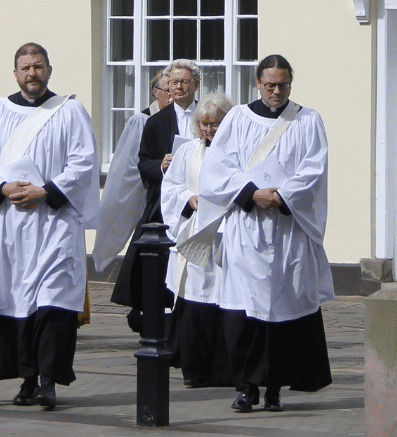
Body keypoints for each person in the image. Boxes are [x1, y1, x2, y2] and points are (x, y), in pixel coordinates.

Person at [0, 42, 98, 411]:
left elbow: (83, 161)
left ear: (49, 70)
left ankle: (48, 382)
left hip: (54, 223)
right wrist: (3, 188)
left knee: (53, 301)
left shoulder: (70, 111)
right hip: (8, 224)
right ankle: (27, 379)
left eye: (39, 66)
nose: (32, 73)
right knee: (17, 302)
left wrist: (45, 190)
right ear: (15, 73)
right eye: (25, 67)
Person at [184, 54, 332, 413]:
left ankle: (276, 389)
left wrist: (282, 196)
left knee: (282, 313)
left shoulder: (308, 121)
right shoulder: (237, 118)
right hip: (246, 230)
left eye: (282, 85)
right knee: (244, 316)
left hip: (287, 230)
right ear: (257, 83)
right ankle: (247, 387)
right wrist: (252, 194)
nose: (276, 91)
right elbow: (218, 169)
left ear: (290, 84)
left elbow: (314, 170)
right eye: (270, 85)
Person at [115, 59, 202, 331]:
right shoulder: (155, 122)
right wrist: (160, 165)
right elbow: (142, 163)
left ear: (195, 85)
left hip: (200, 198)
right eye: (173, 82)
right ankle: (157, 318)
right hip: (165, 203)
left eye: (184, 82)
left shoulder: (209, 116)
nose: (178, 87)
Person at [160, 92, 234, 388]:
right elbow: (171, 186)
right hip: (195, 236)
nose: (209, 130)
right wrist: (187, 198)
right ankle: (195, 369)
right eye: (203, 125)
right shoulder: (188, 151)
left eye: (214, 125)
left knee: (226, 302)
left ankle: (225, 370)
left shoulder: (236, 152)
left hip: (226, 238)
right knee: (195, 300)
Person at [91, 69, 172, 275]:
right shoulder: (142, 121)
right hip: (150, 193)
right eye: (167, 90)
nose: (173, 95)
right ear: (156, 92)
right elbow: (129, 166)